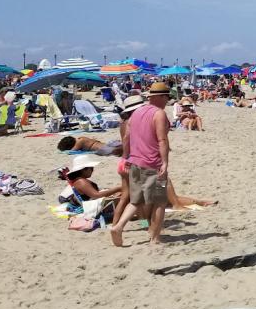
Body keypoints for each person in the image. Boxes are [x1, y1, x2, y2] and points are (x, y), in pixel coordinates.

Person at [110, 82, 172, 246]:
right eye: (166, 98)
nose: (167, 101)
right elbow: (162, 140)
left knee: (134, 201)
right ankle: (155, 238)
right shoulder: (159, 114)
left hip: (135, 162)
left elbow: (127, 137)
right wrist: (165, 163)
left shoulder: (136, 112)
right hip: (153, 163)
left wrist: (126, 157)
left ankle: (118, 226)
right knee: (159, 202)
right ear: (161, 97)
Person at [57, 134, 122, 156]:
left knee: (120, 151)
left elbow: (71, 152)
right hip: (106, 145)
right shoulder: (81, 138)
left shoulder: (79, 142)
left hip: (102, 149)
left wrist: (63, 152)